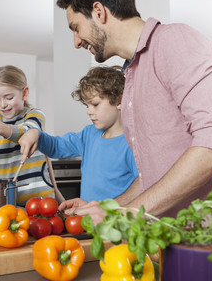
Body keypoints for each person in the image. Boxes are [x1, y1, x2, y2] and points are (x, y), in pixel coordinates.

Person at [23, 0, 212, 223]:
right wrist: (106, 207)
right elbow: (152, 175)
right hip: (173, 233)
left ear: (99, 12)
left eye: (76, 27)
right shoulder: (132, 75)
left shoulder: (173, 41)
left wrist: (129, 213)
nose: (76, 41)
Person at [19, 66, 138, 203]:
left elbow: (142, 186)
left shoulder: (132, 143)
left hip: (115, 222)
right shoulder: (89, 134)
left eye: (95, 104)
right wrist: (36, 134)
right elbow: (56, 147)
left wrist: (105, 209)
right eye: (87, 106)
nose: (89, 111)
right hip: (87, 221)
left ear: (119, 101)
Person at [0, 65, 58, 206]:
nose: (2, 105)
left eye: (8, 97)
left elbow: (28, 132)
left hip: (42, 199)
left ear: (24, 93)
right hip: (10, 199)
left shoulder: (34, 115)